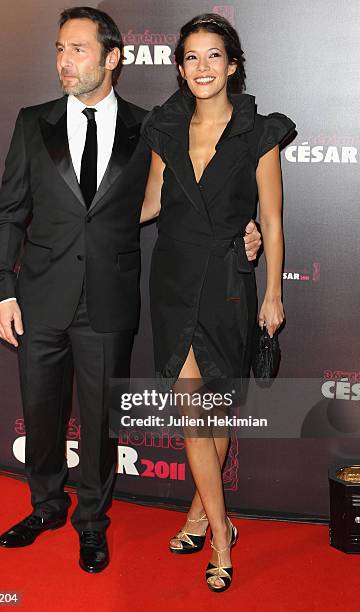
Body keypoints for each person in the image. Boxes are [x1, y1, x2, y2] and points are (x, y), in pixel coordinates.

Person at [0, 7, 262, 574]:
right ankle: (44, 506)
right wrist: (3, 291)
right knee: (40, 414)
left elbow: (186, 195)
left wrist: (244, 228)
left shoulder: (151, 128)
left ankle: (92, 521)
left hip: (109, 300)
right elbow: (9, 214)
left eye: (78, 49)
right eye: (60, 49)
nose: (65, 60)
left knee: (100, 420)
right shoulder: (30, 121)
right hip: (38, 296)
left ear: (113, 57)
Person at [141, 13, 295, 592]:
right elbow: (151, 200)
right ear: (178, 68)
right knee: (192, 408)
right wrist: (91, 216)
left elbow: (273, 224)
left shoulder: (259, 132)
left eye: (213, 56)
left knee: (216, 410)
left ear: (232, 65)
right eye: (191, 57)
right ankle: (223, 533)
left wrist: (274, 290)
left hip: (230, 279)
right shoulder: (165, 127)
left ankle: (200, 513)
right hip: (174, 277)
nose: (201, 67)